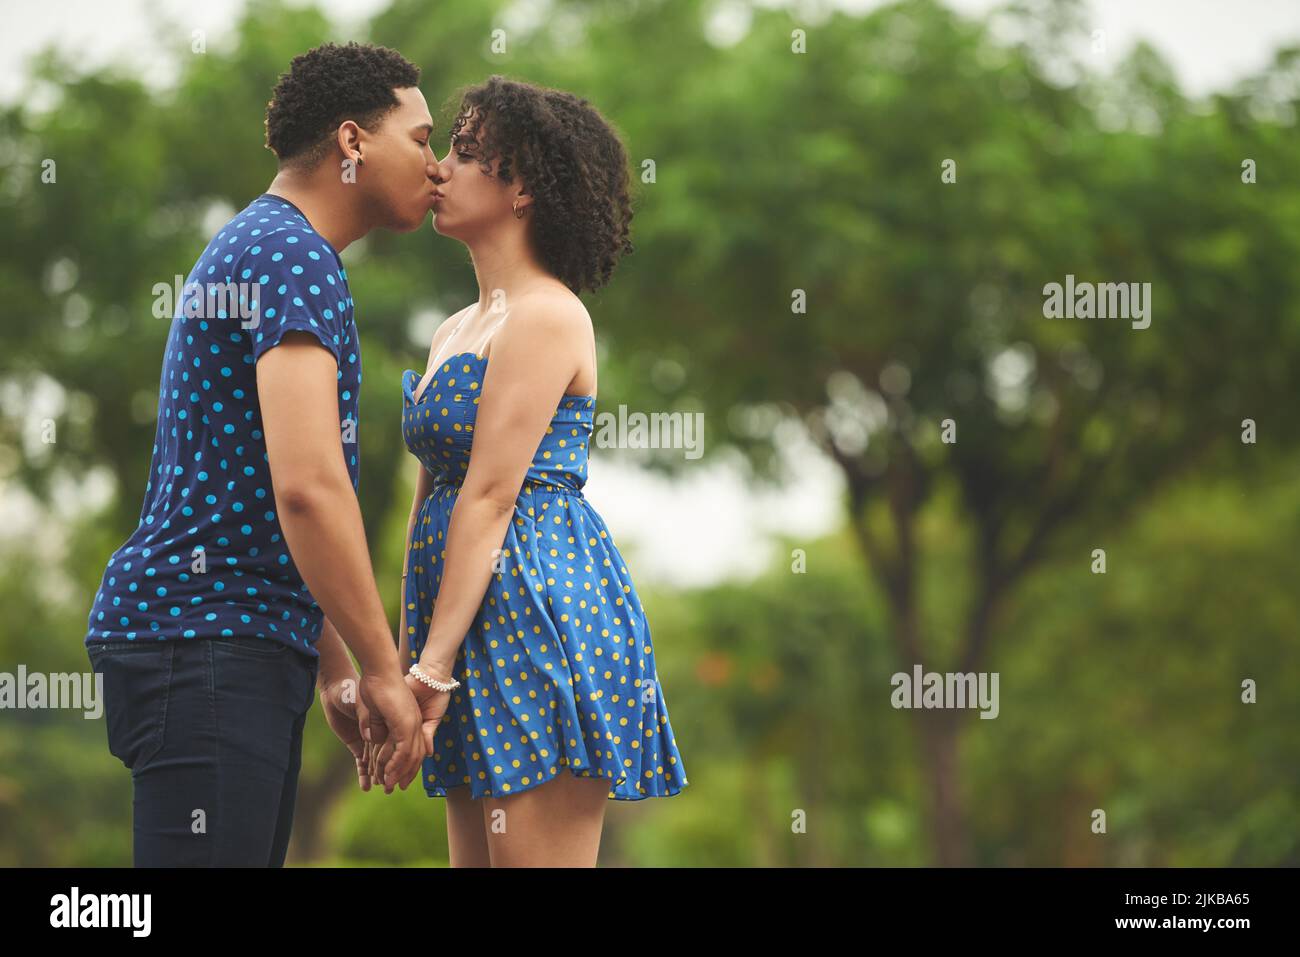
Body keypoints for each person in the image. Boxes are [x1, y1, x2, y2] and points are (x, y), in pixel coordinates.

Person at [83, 41, 439, 866]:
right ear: (352, 141)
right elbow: (308, 486)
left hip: (223, 644)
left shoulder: (272, 246)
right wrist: (382, 669)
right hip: (207, 642)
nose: (436, 163)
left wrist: (332, 665)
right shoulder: (291, 254)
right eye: (422, 139)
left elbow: (260, 500)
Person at [384, 76, 689, 867]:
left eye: (465, 153)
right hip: (461, 617)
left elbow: (491, 494)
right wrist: (406, 659)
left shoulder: (548, 313)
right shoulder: (455, 328)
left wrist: (431, 667)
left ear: (521, 188)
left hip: (537, 611)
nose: (440, 167)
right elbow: (432, 498)